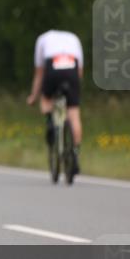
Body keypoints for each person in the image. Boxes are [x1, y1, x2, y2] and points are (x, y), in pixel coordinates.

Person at [27, 29, 83, 173]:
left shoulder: (43, 39)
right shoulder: (74, 38)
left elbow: (39, 73)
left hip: (53, 66)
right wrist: (74, 91)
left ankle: (50, 123)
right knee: (74, 114)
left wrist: (34, 96)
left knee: (46, 99)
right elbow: (80, 72)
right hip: (72, 67)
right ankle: (75, 154)